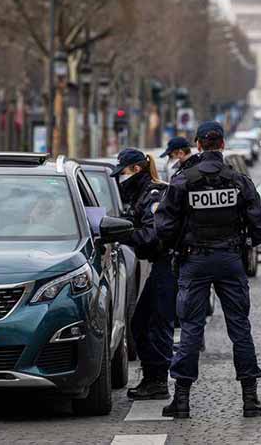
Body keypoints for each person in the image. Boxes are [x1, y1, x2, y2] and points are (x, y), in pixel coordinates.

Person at [155, 121, 261, 419]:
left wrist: (178, 242)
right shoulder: (239, 181)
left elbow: (164, 227)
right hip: (230, 259)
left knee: (191, 328)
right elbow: (259, 228)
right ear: (222, 145)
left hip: (194, 260)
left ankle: (181, 400)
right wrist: (242, 241)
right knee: (240, 327)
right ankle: (250, 399)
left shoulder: (182, 181)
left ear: (197, 144)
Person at [110, 148, 176, 400]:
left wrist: (125, 234)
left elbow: (152, 234)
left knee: (155, 325)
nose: (120, 179)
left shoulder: (153, 194)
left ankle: (158, 382)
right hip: (163, 264)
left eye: (123, 173)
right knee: (142, 323)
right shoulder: (144, 194)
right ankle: (153, 379)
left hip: (168, 265)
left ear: (136, 170)